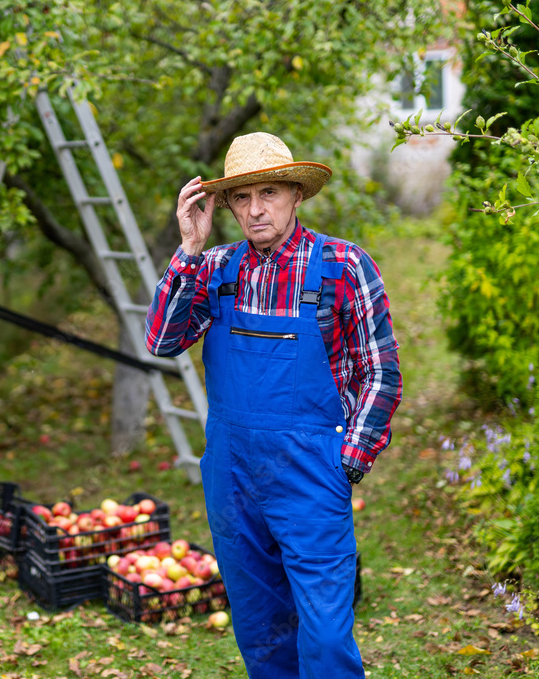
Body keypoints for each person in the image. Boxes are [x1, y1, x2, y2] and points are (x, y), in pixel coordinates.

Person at [145, 132, 402, 678]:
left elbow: (380, 371)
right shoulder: (212, 269)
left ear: (296, 195)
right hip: (234, 475)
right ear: (228, 205)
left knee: (327, 634)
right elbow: (161, 340)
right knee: (261, 630)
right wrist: (188, 249)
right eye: (241, 197)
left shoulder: (343, 267)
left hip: (311, 472)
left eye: (269, 193)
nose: (256, 209)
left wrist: (347, 461)